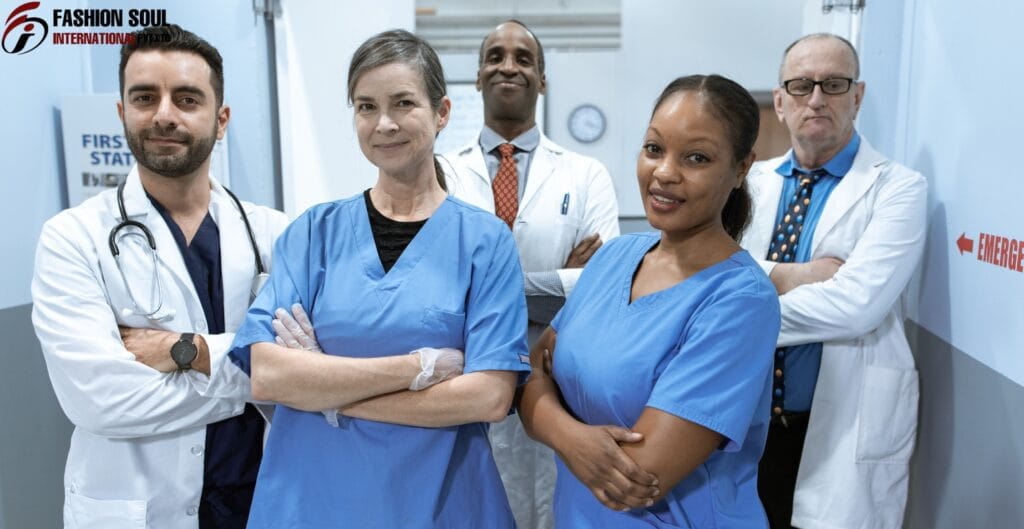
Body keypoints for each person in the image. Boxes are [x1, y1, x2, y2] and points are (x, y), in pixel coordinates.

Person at [226, 29, 529, 529]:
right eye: (366, 107)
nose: (383, 123)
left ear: (442, 112)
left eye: (403, 103)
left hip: (438, 504)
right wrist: (420, 366)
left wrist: (325, 388)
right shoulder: (314, 234)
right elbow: (270, 374)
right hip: (312, 503)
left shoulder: (483, 242)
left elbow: (489, 397)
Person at [31, 24, 288, 529]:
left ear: (221, 119)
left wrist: (185, 351)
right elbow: (102, 400)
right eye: (145, 97)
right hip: (138, 510)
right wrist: (263, 374)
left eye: (187, 98)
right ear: (122, 112)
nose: (164, 115)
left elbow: (311, 365)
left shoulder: (274, 234)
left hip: (259, 502)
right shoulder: (72, 238)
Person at [518, 74, 782, 528]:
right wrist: (575, 437)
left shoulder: (740, 301)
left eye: (696, 158)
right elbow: (529, 372)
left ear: (741, 169)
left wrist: (547, 416)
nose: (664, 172)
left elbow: (638, 478)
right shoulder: (614, 258)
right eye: (654, 149)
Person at [740, 33, 927, 529]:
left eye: (834, 84)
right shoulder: (747, 184)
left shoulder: (898, 188)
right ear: (780, 102)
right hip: (743, 423)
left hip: (838, 426)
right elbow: (704, 274)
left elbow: (855, 308)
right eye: (801, 85)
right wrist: (791, 274)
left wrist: (736, 303)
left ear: (858, 97)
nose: (817, 98)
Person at [444, 20, 620, 529]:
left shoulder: (585, 174)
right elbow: (434, 286)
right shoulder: (440, 172)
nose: (508, 65)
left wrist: (479, 290)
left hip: (556, 375)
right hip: (464, 373)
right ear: (477, 76)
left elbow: (598, 287)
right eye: (495, 55)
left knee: (548, 507)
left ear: (542, 79)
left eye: (524, 58)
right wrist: (560, 279)